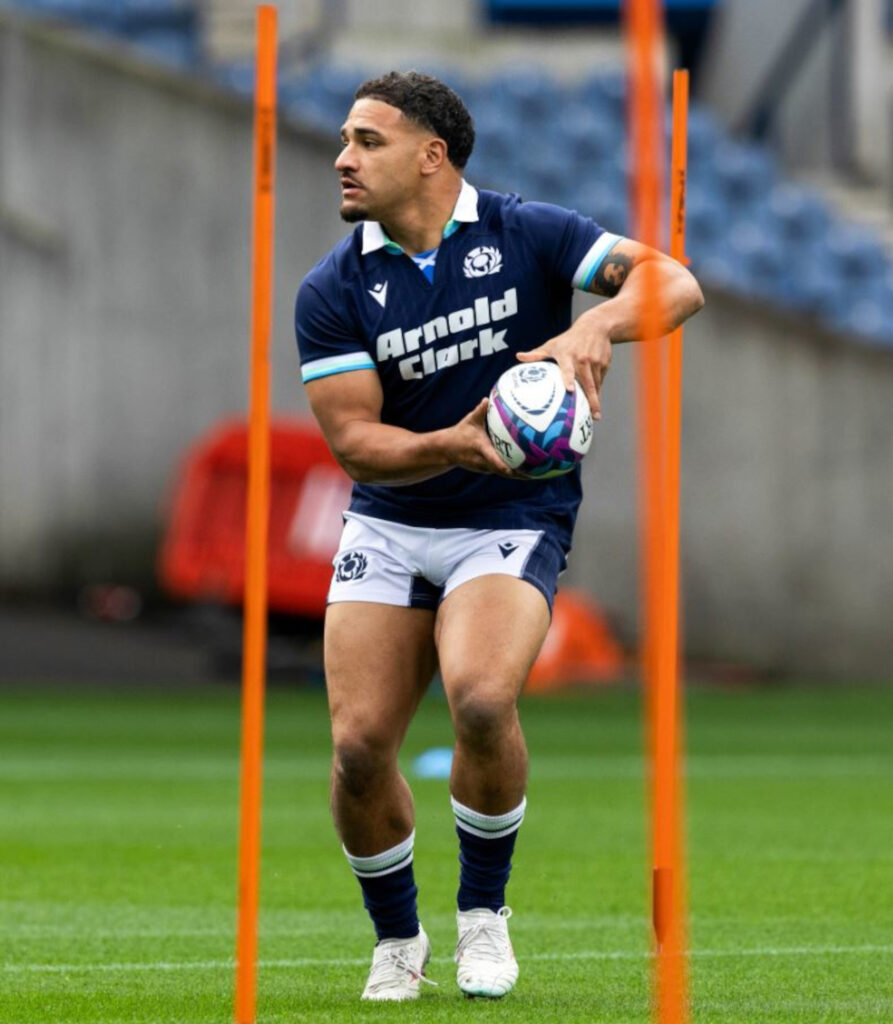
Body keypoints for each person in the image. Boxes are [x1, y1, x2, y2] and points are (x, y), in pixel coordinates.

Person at [294, 70, 703, 1002]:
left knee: (481, 699)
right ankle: (398, 940)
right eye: (346, 140)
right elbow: (354, 439)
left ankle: (484, 917)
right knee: (359, 747)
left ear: (431, 156)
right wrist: (453, 443)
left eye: (367, 140)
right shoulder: (336, 284)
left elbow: (673, 281)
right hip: (394, 520)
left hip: (512, 517)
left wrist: (594, 326)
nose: (342, 157)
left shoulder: (529, 232)